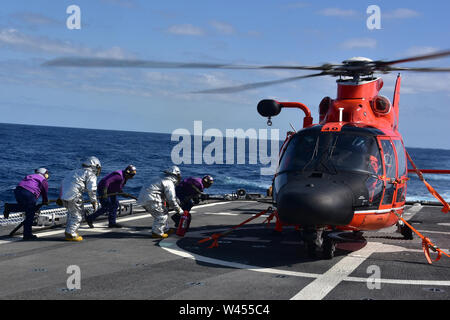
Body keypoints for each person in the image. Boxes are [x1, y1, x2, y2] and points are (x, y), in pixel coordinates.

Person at [60, 156, 101, 241]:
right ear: (94, 166)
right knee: (78, 216)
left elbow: (64, 183)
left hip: (64, 196)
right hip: (75, 196)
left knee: (71, 215)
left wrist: (60, 197)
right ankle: (71, 234)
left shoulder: (74, 172)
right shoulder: (90, 174)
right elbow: (92, 190)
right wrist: (94, 202)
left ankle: (68, 232)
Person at [3, 168, 50, 240]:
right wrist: (45, 201)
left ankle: (9, 207)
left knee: (25, 207)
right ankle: (27, 235)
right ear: (45, 174)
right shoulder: (43, 180)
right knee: (30, 214)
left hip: (18, 190)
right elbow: (44, 193)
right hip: (29, 193)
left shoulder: (31, 176)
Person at [137, 166, 183, 239]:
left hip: (144, 198)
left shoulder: (159, 177)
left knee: (163, 211)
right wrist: (179, 210)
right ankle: (157, 233)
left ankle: (165, 229)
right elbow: (171, 199)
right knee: (162, 215)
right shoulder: (169, 182)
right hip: (152, 199)